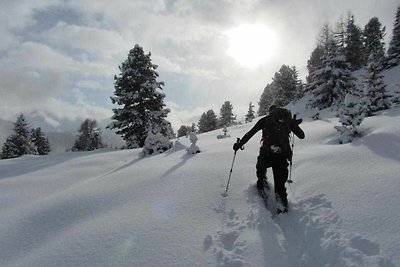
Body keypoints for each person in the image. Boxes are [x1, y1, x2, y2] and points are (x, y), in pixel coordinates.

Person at [233, 105, 305, 213]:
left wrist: (239, 144)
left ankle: (262, 186)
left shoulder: (265, 120)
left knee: (261, 169)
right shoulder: (287, 121)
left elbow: (250, 133)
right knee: (280, 185)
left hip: (266, 155)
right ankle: (282, 208)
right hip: (281, 157)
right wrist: (293, 124)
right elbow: (301, 135)